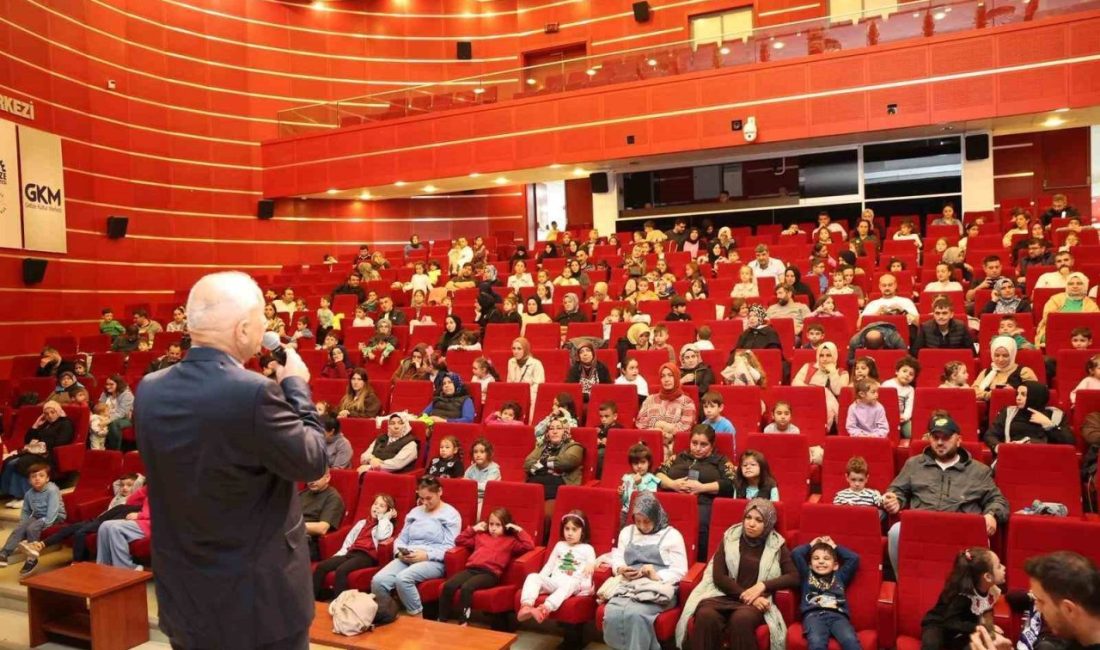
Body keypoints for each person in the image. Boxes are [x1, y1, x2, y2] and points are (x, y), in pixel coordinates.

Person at [133, 272, 327, 648]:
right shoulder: (254, 393)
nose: (263, 332)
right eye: (261, 324)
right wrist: (296, 386)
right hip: (257, 605)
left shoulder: (150, 389)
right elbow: (313, 459)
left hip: (185, 596)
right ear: (241, 330)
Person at [882, 413, 1008, 572]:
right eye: (935, 437)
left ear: (958, 439)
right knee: (896, 531)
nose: (940, 442)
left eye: (946, 437)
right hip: (922, 526)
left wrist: (992, 514)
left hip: (961, 529)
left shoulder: (978, 470)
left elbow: (998, 500)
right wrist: (894, 499)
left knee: (979, 540)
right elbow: (896, 490)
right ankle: (906, 585)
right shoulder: (914, 464)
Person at [678, 499, 799, 650]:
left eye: (758, 520)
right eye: (748, 518)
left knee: (741, 619)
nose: (751, 523)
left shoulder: (776, 545)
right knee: (705, 615)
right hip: (723, 595)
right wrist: (747, 596)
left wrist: (762, 586)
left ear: (767, 523)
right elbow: (719, 576)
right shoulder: (730, 537)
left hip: (755, 603)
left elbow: (794, 577)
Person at [602, 492, 689, 650]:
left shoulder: (672, 536)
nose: (642, 526)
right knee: (612, 611)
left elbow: (681, 571)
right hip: (629, 585)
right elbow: (618, 557)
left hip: (658, 588)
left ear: (656, 517)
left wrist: (656, 575)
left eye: (647, 521)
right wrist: (621, 569)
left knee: (636, 614)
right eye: (638, 521)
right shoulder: (627, 532)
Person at [19, 471, 142, 575]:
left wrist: (138, 482)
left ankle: (77, 562)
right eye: (123, 485)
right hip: (99, 519)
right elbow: (116, 485)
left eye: (129, 485)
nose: (125, 488)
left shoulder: (134, 502)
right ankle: (40, 545)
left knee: (80, 532)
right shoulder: (118, 496)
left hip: (108, 523)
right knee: (70, 528)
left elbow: (140, 484)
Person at [371, 476, 461, 618]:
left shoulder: (451, 515)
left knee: (403, 579)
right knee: (378, 581)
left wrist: (426, 555)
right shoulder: (415, 512)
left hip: (433, 560)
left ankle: (417, 619)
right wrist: (398, 553)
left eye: (429, 498)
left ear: (440, 492)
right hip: (407, 556)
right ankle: (389, 614)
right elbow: (401, 538)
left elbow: (450, 547)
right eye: (421, 498)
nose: (424, 503)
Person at [438, 508, 535, 625]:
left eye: (498, 525)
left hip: (490, 574)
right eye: (491, 524)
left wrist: (519, 530)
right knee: (449, 585)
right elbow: (459, 540)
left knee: (467, 587)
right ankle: (442, 619)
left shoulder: (511, 541)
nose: (493, 528)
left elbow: (529, 545)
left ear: (506, 526)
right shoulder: (480, 537)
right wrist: (473, 529)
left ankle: (464, 621)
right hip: (471, 569)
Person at [656, 424, 736, 559]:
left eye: (703, 444)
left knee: (700, 522)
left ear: (712, 445)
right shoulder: (679, 457)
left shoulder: (721, 460)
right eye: (694, 443)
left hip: (703, 503)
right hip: (674, 499)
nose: (697, 448)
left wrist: (702, 488)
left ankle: (698, 562)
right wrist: (672, 484)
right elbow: (658, 473)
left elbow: (731, 483)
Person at [518, 510, 597, 623]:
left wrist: (591, 564)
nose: (569, 533)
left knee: (570, 582)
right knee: (533, 576)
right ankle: (526, 606)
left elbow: (593, 563)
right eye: (567, 529)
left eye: (574, 529)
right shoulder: (560, 545)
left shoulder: (587, 548)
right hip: (555, 582)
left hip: (573, 585)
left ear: (582, 531)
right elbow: (549, 566)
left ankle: (545, 609)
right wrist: (540, 581)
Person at [922, 547, 1006, 650]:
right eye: (999, 566)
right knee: (932, 645)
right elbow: (950, 622)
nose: (1004, 568)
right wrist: (978, 626)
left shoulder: (992, 591)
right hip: (940, 624)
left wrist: (989, 629)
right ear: (988, 577)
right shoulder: (962, 596)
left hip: (962, 631)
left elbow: (985, 615)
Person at [791, 536, 861, 650]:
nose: (821, 561)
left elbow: (854, 559)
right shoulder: (807, 574)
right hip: (813, 616)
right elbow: (796, 554)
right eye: (816, 558)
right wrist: (811, 545)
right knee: (816, 641)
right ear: (810, 564)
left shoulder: (840, 576)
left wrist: (835, 547)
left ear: (835, 565)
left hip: (838, 616)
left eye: (826, 558)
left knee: (850, 640)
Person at [0, 401, 73, 505]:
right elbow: (28, 440)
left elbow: (62, 442)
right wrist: (35, 425)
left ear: (58, 411)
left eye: (53, 412)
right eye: (46, 414)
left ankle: (27, 495)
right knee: (9, 462)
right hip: (35, 452)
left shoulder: (65, 423)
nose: (50, 416)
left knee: (21, 463)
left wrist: (41, 445)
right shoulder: (45, 424)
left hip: (49, 455)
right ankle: (12, 493)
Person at [0, 463, 64, 568]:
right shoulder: (29, 493)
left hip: (56, 516)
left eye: (41, 476)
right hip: (39, 516)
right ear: (29, 481)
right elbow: (26, 511)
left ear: (47, 478)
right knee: (20, 528)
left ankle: (31, 558)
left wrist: (46, 525)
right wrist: (23, 523)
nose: (37, 479)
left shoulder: (52, 490)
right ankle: (3, 554)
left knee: (32, 528)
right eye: (34, 477)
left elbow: (53, 510)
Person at [983, 381, 1073, 454]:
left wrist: (1049, 425)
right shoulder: (1009, 412)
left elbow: (1069, 442)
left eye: (1023, 394)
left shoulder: (1055, 415)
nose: (1018, 398)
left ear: (1035, 396)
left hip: (1044, 458)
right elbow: (990, 435)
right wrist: (999, 447)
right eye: (1017, 394)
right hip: (1013, 455)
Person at [637, 363, 698, 462]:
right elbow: (640, 422)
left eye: (670, 375)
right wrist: (657, 427)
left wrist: (663, 428)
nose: (666, 379)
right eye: (663, 376)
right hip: (649, 445)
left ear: (677, 377)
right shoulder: (650, 399)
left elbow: (686, 427)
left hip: (675, 448)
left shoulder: (687, 402)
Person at [524, 417, 584, 503]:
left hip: (560, 485)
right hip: (536, 483)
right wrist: (550, 466)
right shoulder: (542, 447)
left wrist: (542, 463)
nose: (554, 432)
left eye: (559, 428)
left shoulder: (574, 446)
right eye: (551, 429)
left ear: (566, 431)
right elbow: (527, 463)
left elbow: (568, 461)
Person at [791, 342, 848, 430]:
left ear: (834, 356)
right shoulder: (808, 366)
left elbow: (838, 391)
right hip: (805, 401)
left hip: (825, 408)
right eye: (821, 355)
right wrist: (814, 390)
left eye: (828, 355)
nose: (824, 359)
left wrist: (832, 373)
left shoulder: (842, 373)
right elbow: (795, 383)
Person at [96, 485, 151, 570]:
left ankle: (126, 568)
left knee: (115, 528)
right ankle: (103, 567)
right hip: (142, 521)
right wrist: (145, 489)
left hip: (153, 524)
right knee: (105, 526)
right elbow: (131, 501)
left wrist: (139, 515)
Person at [1037, 273, 1099, 345]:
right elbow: (1048, 318)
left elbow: (1095, 322)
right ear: (1066, 285)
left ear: (1085, 285)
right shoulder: (1055, 299)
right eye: (1071, 284)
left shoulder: (1091, 304)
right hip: (1057, 331)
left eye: (1079, 283)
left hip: (1082, 335)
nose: (1075, 286)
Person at [973, 336, 1039, 400]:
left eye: (1005, 356)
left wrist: (1014, 392)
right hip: (989, 409)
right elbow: (973, 392)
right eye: (997, 355)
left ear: (1012, 355)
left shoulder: (1024, 372)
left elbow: (1034, 393)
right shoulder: (986, 372)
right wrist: (991, 395)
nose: (1000, 359)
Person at [299, 470, 344, 561]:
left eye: (316, 477)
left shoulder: (333, 497)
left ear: (327, 478)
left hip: (309, 543)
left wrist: (292, 527)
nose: (311, 481)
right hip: (292, 536)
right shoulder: (303, 493)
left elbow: (322, 528)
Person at [882, 356, 918, 439]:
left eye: (911, 374)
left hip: (901, 418)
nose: (907, 375)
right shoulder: (887, 384)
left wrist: (905, 417)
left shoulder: (910, 389)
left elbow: (910, 406)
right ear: (897, 371)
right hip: (884, 416)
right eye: (904, 371)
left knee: (911, 434)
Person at [507, 337, 545, 404]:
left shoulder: (536, 363)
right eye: (514, 348)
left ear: (526, 349)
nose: (516, 352)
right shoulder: (511, 362)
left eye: (519, 349)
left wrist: (523, 392)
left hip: (531, 397)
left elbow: (538, 385)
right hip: (514, 396)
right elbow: (509, 381)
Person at [464, 438, 502, 505]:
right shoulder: (471, 468)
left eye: (482, 452)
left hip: (487, 500)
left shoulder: (494, 470)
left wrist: (471, 484)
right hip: (471, 497)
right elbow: (464, 483)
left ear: (489, 453)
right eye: (475, 452)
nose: (478, 455)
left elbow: (486, 487)